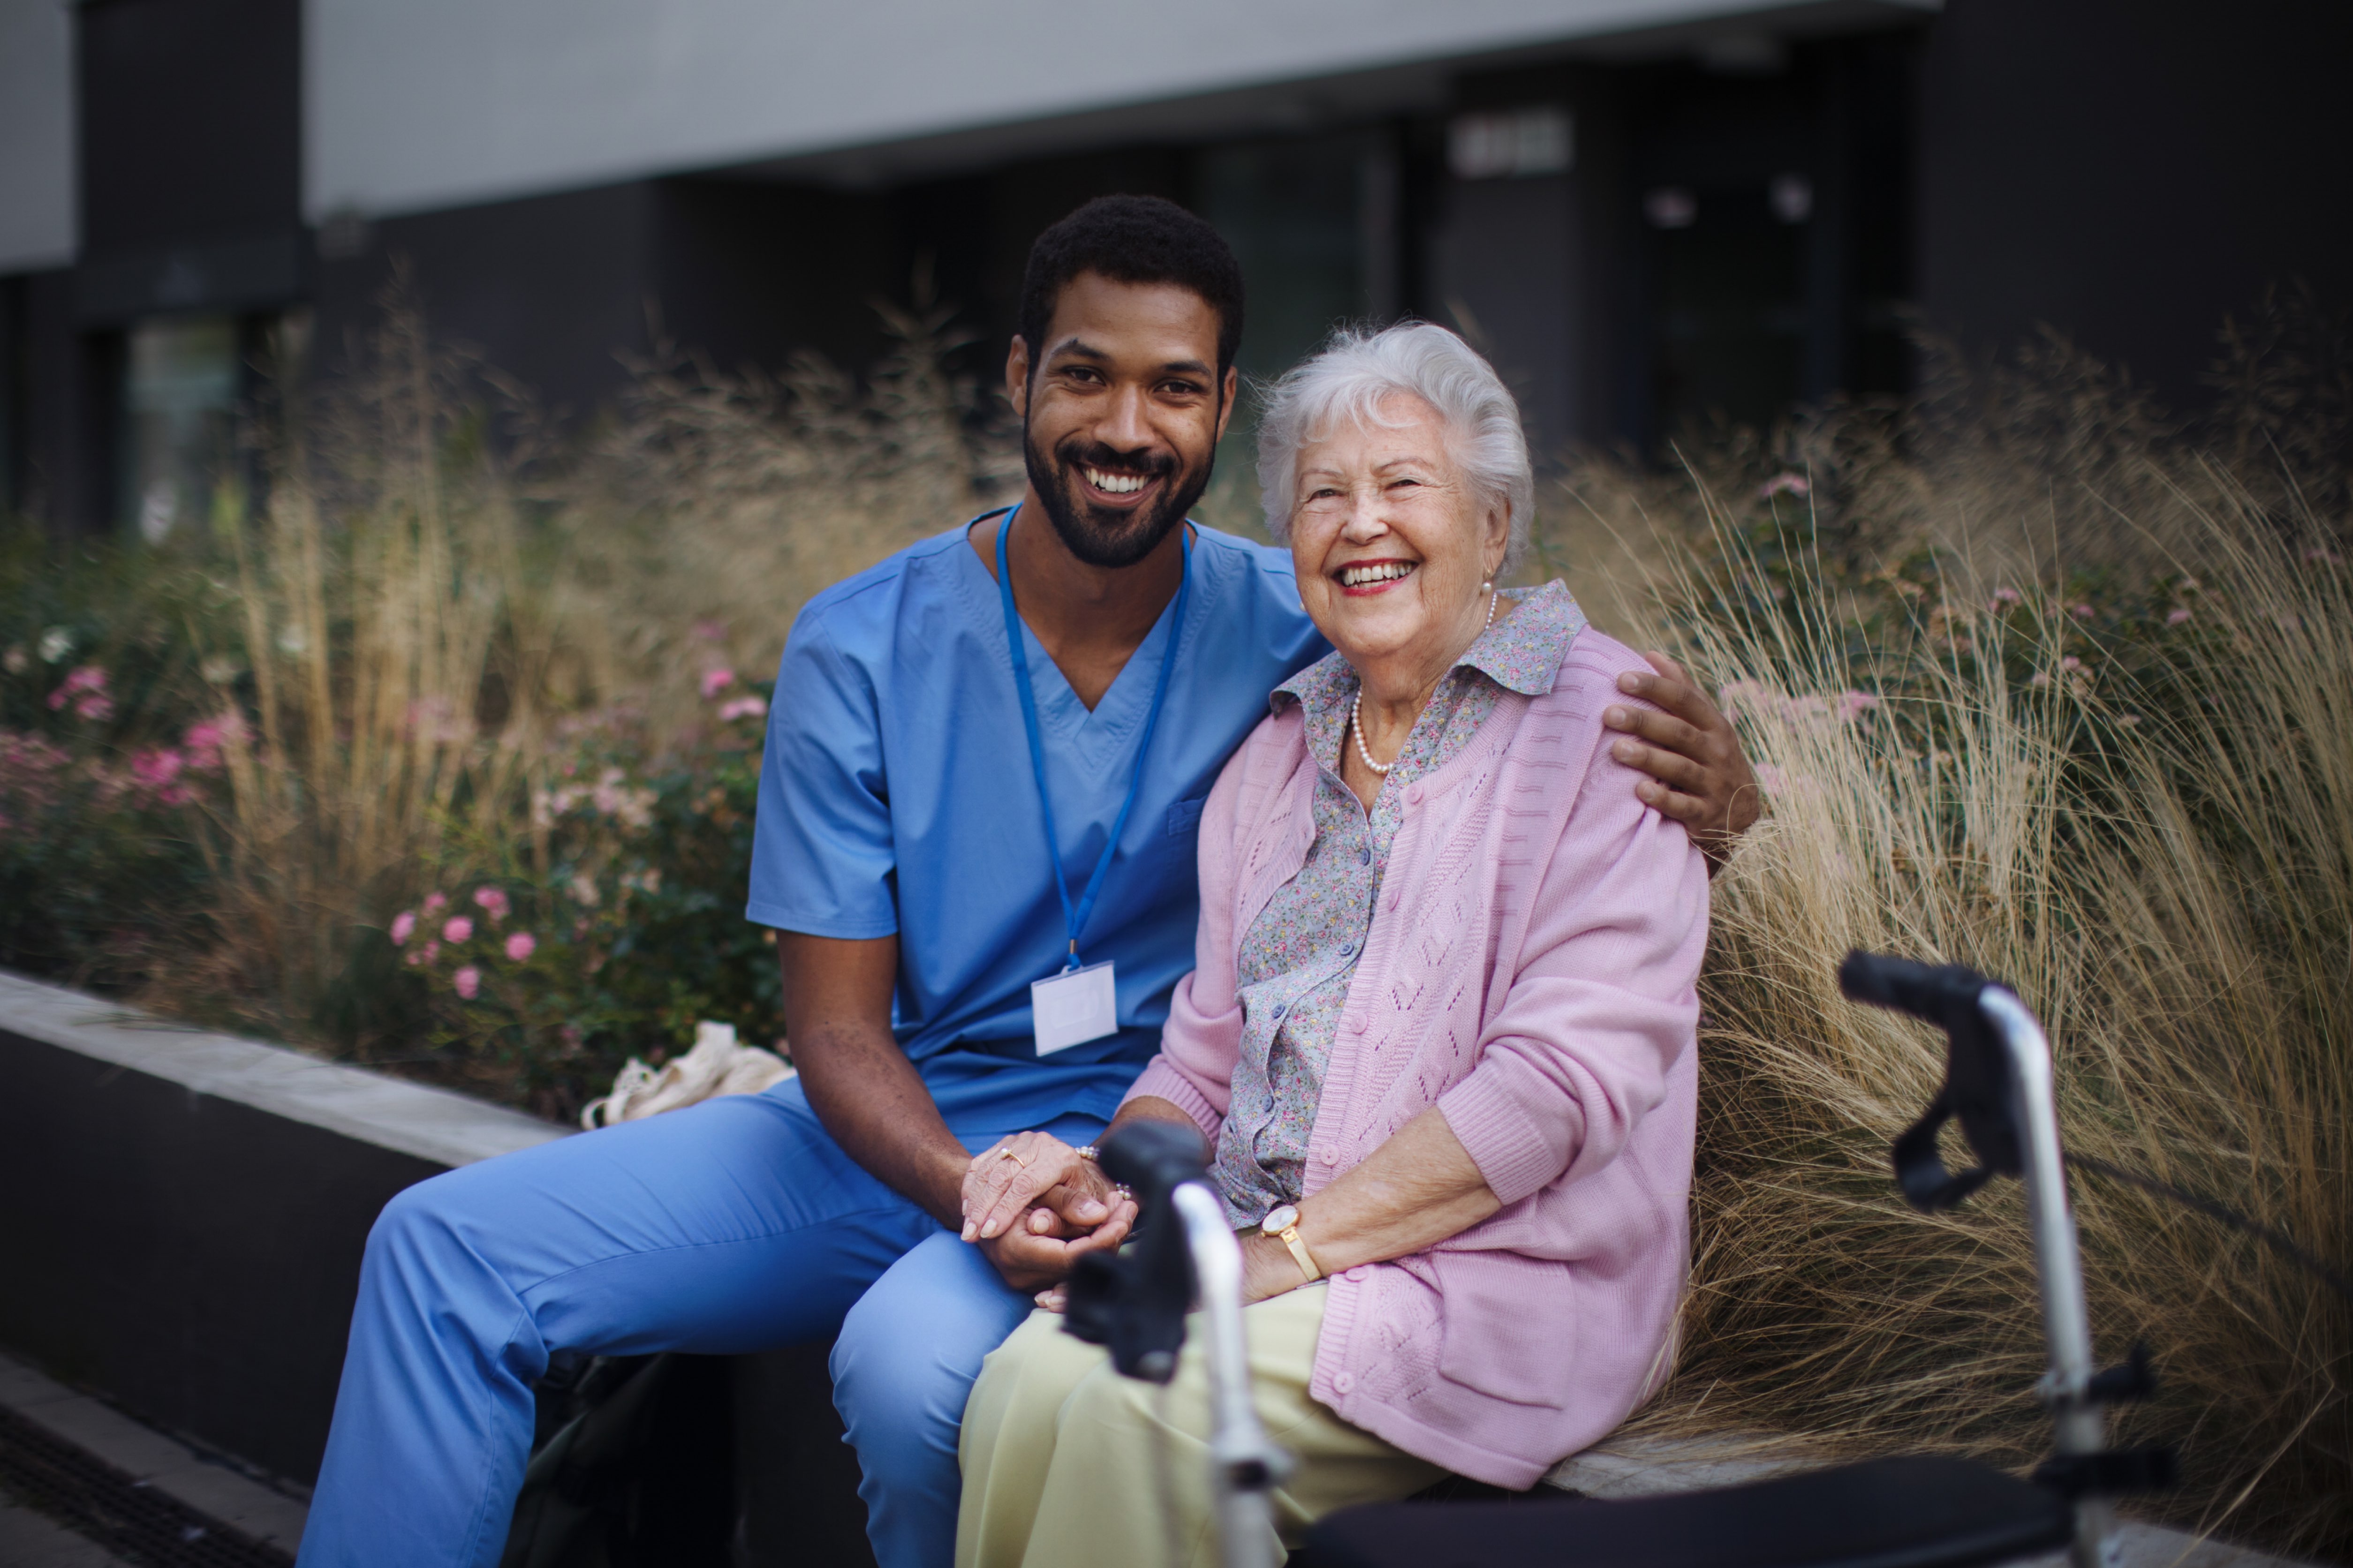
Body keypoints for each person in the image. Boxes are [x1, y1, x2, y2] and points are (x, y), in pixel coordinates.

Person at [295, 197, 1754, 1568]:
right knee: (441, 1249)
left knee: (912, 1368)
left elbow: (1496, 685)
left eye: (1174, 387)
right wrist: (966, 1177)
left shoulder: (1299, 615)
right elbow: (836, 1030)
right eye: (1083, 377)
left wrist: (1732, 793)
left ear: (1221, 408)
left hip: (1149, 1146)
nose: (1125, 428)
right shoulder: (861, 647)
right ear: (1016, 380)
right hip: (907, 1127)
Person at [954, 321, 1708, 1568]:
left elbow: (1557, 1089)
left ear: (1494, 526)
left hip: (1490, 1284)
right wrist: (1116, 1183)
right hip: (1261, 1254)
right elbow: (1199, 1065)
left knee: (1136, 1421)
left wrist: (1276, 1254)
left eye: (1403, 485)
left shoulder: (1603, 728)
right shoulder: (1276, 759)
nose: (1359, 524)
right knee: (1026, 1387)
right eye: (1322, 495)